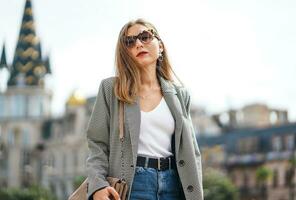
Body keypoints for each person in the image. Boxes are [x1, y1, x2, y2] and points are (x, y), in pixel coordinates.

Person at [86, 18, 203, 200]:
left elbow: (192, 152)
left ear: (161, 46)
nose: (138, 44)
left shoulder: (180, 95)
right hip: (131, 184)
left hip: (174, 184)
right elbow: (97, 144)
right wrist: (98, 185)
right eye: (130, 42)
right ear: (126, 52)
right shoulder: (111, 89)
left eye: (145, 37)